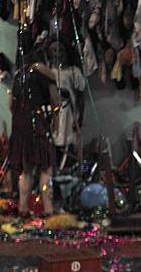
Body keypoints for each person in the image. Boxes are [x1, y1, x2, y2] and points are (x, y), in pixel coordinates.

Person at [9, 49, 61, 216]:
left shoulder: (18, 74)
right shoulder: (44, 71)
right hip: (37, 123)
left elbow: (11, 104)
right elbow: (56, 100)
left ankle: (23, 208)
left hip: (20, 125)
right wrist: (56, 120)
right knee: (46, 168)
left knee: (26, 169)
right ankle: (48, 209)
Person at [46, 40, 85, 151]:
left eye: (61, 50)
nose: (58, 53)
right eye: (54, 50)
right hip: (52, 114)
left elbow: (81, 97)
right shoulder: (47, 70)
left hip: (69, 114)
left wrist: (80, 118)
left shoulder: (74, 72)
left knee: (68, 145)